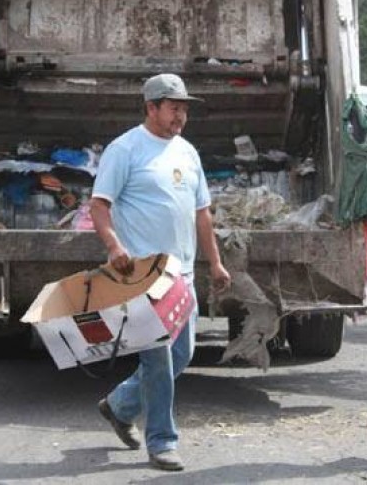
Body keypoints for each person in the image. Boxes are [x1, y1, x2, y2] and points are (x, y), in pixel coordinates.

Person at [90, 73, 231, 472]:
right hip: (144, 276)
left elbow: (202, 214)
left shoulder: (187, 152)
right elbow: (99, 205)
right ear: (151, 108)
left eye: (184, 108)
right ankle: (162, 441)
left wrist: (215, 262)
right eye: (174, 107)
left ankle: (119, 406)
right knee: (158, 362)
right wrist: (115, 247)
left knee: (182, 354)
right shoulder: (125, 149)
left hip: (181, 275)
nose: (180, 116)